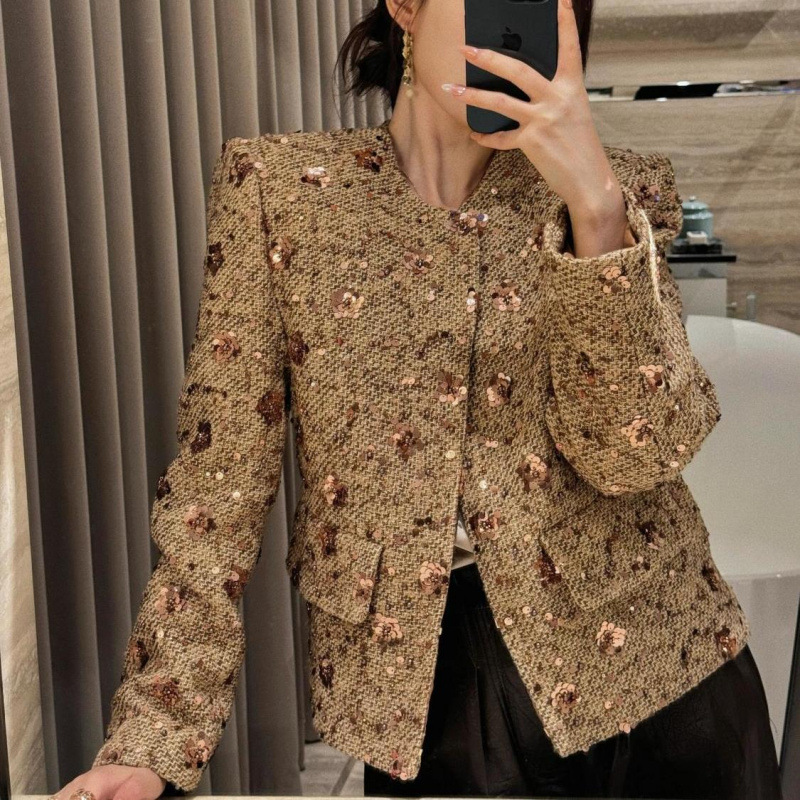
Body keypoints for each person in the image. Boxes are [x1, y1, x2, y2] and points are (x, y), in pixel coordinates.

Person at [51, 0, 783, 798]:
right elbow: (214, 492)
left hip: (669, 676)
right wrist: (151, 739)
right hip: (429, 693)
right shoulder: (285, 193)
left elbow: (639, 454)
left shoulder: (614, 193)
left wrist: (596, 209)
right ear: (404, 4)